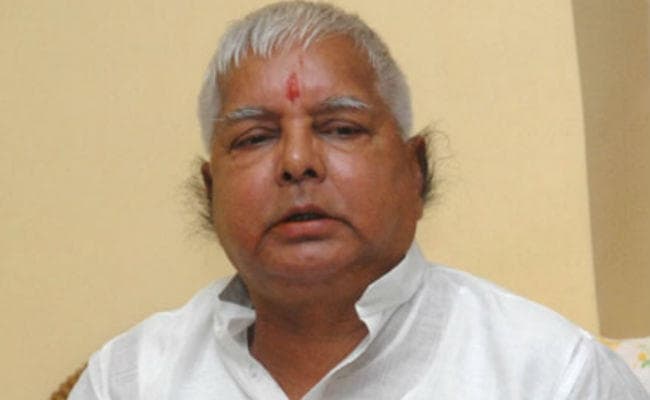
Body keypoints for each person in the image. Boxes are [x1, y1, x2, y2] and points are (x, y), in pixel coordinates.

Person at [69, 1, 648, 399]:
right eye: (254, 138)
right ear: (209, 191)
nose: (298, 161)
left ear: (415, 170)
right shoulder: (129, 380)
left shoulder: (548, 375)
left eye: (341, 128)